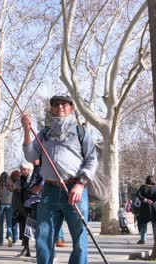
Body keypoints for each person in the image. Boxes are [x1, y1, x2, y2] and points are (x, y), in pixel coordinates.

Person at [21, 95, 98, 264]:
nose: (60, 107)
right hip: (49, 191)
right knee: (44, 237)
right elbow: (30, 155)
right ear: (52, 109)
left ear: (71, 108)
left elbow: (92, 159)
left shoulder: (81, 131)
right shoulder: (44, 133)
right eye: (56, 104)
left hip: (74, 190)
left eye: (64, 104)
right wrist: (27, 130)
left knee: (79, 239)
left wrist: (80, 183)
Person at [136, 175, 156, 244]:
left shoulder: (143, 187)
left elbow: (138, 194)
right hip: (153, 207)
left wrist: (145, 199)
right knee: (154, 224)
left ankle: (143, 239)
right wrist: (152, 201)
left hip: (144, 208)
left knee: (143, 224)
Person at [0, 172, 13, 246]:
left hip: (0, 204)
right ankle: (10, 236)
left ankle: (0, 241)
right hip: (9, 205)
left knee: (1, 223)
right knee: (9, 223)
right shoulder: (11, 185)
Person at [8, 169, 21, 246]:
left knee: (14, 223)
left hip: (14, 205)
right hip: (18, 205)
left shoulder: (12, 183)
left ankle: (15, 239)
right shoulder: (18, 183)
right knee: (20, 223)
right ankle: (19, 239)